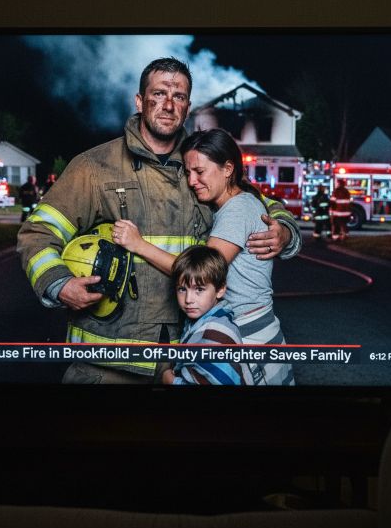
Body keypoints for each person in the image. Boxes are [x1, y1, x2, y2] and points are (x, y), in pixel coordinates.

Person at [17, 57, 301, 384]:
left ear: (187, 107)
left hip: (186, 358)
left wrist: (285, 232)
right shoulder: (95, 167)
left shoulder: (199, 162)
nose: (168, 105)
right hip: (109, 362)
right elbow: (38, 232)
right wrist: (59, 284)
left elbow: (253, 200)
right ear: (140, 101)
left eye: (178, 96)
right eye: (158, 94)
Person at [113, 127, 294, 385]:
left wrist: (138, 244)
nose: (192, 181)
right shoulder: (232, 204)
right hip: (240, 330)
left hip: (248, 336)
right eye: (188, 173)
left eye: (200, 171)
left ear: (228, 169)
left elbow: (201, 272)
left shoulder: (237, 209)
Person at [163, 245, 243, 386]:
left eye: (199, 289)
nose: (188, 299)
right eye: (182, 289)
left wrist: (171, 381)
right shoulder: (200, 322)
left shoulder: (215, 334)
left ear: (220, 289)